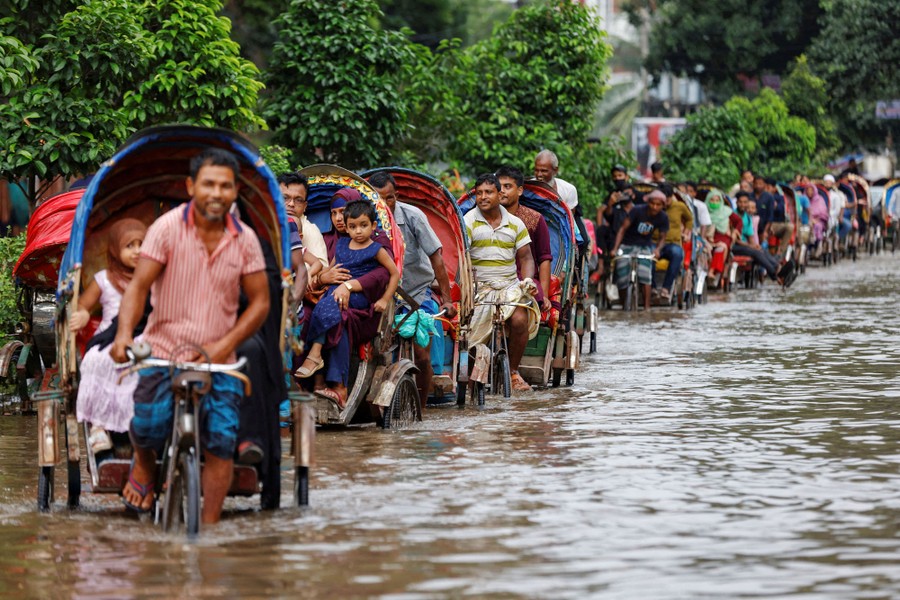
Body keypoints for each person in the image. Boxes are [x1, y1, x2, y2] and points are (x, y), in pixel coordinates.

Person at [111, 148, 270, 524]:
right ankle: (146, 467)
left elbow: (260, 303)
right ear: (191, 186)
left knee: (220, 442)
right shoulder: (165, 229)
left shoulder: (245, 239)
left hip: (220, 358)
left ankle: (210, 531)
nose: (217, 193)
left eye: (225, 186)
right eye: (209, 184)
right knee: (147, 428)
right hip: (164, 350)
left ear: (235, 192)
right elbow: (137, 289)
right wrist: (122, 335)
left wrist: (224, 345)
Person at [367, 171, 457, 410]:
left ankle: (422, 407)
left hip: (417, 292)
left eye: (389, 199)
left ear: (396, 196)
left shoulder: (413, 216)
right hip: (382, 294)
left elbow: (436, 258)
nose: (384, 205)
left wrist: (447, 301)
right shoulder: (365, 219)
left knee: (422, 353)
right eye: (378, 199)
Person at [296, 200, 400, 404]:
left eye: (363, 225)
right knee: (327, 309)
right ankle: (320, 376)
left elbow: (393, 274)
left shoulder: (377, 249)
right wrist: (319, 278)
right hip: (336, 294)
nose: (358, 231)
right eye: (352, 227)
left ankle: (316, 355)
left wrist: (385, 299)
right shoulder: (342, 244)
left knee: (329, 304)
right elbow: (332, 268)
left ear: (373, 226)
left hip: (360, 299)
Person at [69, 218, 147, 453]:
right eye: (129, 246)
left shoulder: (152, 275)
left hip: (144, 332)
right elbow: (83, 305)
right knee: (95, 360)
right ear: (115, 249)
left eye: (141, 244)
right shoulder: (104, 278)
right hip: (108, 335)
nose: (137, 251)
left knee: (147, 362)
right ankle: (99, 427)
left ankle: (141, 424)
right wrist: (82, 315)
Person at [464, 173, 539, 392]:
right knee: (467, 333)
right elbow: (463, 254)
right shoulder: (468, 221)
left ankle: (514, 372)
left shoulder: (516, 224)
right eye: (478, 193)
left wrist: (526, 280)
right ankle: (468, 379)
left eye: (488, 192)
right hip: (480, 287)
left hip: (509, 286)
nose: (483, 197)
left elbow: (526, 258)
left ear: (499, 194)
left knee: (519, 320)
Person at [496, 166, 553, 313]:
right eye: (498, 186)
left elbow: (544, 258)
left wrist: (545, 296)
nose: (501, 190)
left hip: (525, 281)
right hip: (492, 280)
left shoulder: (535, 219)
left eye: (507, 186)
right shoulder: (483, 218)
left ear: (519, 190)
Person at [610, 189, 669, 310]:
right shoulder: (637, 210)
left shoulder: (663, 217)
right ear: (648, 202)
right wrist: (615, 248)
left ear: (663, 205)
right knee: (621, 273)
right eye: (652, 203)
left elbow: (663, 237)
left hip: (644, 246)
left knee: (645, 274)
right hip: (627, 244)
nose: (654, 207)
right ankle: (623, 306)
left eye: (658, 205)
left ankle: (647, 308)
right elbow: (622, 229)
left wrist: (657, 249)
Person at [533, 150, 589, 253]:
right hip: (535, 230)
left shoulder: (568, 189)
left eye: (544, 171)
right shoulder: (528, 188)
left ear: (555, 170)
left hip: (560, 231)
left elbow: (569, 221)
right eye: (536, 170)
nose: (539, 175)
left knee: (583, 243)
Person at [278, 172, 328, 271]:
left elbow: (322, 267)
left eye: (298, 200)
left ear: (305, 206)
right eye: (285, 198)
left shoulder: (310, 230)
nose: (291, 204)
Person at [732, 191, 783, 282]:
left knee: (761, 249)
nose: (743, 205)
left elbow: (750, 236)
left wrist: (755, 245)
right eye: (740, 202)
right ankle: (774, 273)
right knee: (755, 252)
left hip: (744, 245)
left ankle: (777, 268)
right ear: (736, 203)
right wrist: (751, 246)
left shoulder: (747, 217)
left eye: (745, 202)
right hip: (734, 245)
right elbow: (735, 239)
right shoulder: (733, 216)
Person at [656, 184, 693, 301]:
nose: (664, 203)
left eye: (667, 200)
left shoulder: (680, 207)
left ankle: (666, 288)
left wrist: (686, 233)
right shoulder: (653, 207)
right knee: (646, 255)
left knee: (677, 254)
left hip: (672, 244)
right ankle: (651, 288)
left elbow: (689, 219)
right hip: (655, 244)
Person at [766, 177, 794, 257]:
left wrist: (774, 205)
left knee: (790, 227)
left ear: (774, 188)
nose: (767, 189)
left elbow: (781, 210)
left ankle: (780, 252)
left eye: (769, 187)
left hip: (775, 224)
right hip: (762, 224)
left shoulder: (779, 198)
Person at [751, 175, 775, 245]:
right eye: (756, 183)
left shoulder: (769, 197)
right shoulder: (749, 196)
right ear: (753, 184)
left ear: (764, 185)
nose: (758, 186)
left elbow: (770, 217)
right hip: (751, 228)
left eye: (760, 184)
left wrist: (765, 231)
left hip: (763, 228)